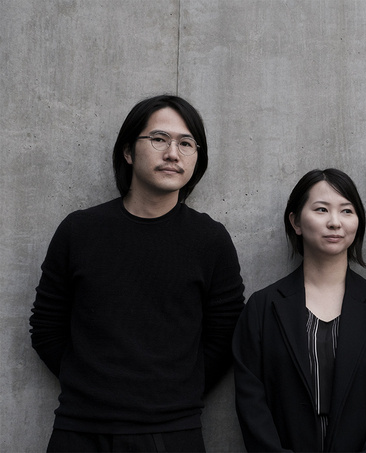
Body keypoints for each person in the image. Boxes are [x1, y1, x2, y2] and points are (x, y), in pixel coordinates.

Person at [29, 95, 245, 452]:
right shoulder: (79, 231)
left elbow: (225, 336)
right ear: (128, 151)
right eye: (159, 139)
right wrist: (89, 384)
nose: (173, 153)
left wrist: (175, 393)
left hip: (172, 432)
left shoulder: (210, 240)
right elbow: (46, 327)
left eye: (186, 143)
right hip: (80, 430)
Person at [232, 168, 366, 452]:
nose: (335, 222)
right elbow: (250, 399)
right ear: (295, 221)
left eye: (347, 211)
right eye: (321, 209)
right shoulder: (262, 308)